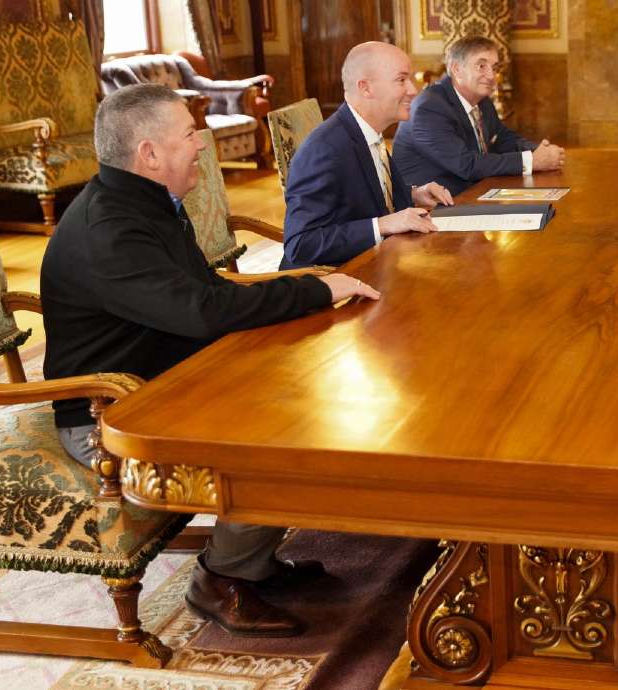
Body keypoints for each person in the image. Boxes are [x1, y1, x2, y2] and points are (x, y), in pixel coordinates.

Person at [41, 83, 379, 637]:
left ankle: (253, 560)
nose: (201, 142)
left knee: (309, 383)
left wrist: (308, 286)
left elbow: (203, 292)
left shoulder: (141, 201)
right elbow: (203, 310)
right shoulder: (111, 229)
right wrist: (317, 289)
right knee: (279, 422)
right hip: (112, 412)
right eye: (188, 132)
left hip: (165, 375)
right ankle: (222, 576)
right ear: (149, 153)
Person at [281, 41, 454, 269]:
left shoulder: (368, 131)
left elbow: (360, 196)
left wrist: (413, 194)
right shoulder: (324, 150)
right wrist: (381, 225)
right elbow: (300, 245)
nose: (413, 90)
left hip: (380, 263)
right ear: (366, 88)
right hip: (334, 282)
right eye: (401, 80)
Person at [391, 35, 566, 195]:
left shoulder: (482, 101)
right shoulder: (429, 108)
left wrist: (539, 151)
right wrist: (531, 161)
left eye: (495, 67)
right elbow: (466, 164)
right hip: (433, 208)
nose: (491, 76)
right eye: (481, 66)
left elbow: (502, 137)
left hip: (475, 193)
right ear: (457, 69)